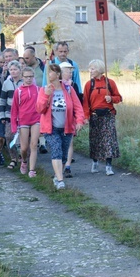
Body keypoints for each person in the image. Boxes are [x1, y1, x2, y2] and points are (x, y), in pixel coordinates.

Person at [36, 62, 84, 190]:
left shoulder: (68, 89)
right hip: (51, 128)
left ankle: (57, 177)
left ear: (57, 74)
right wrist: (46, 94)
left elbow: (77, 106)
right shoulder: (44, 89)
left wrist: (79, 121)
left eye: (50, 72)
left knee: (63, 156)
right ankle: (61, 180)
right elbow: (40, 109)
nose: (48, 75)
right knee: (56, 150)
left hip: (67, 127)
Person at [82, 60, 122, 176]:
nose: (90, 71)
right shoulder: (89, 85)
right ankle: (95, 162)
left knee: (109, 140)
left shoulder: (110, 83)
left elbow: (119, 97)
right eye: (90, 69)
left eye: (92, 69)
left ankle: (108, 166)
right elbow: (85, 103)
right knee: (96, 139)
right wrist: (86, 116)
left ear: (99, 69)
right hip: (95, 116)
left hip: (108, 115)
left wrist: (111, 99)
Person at [11, 66, 40, 177]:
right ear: (22, 77)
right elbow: (14, 110)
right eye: (26, 77)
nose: (29, 79)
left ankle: (32, 170)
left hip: (36, 119)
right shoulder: (18, 92)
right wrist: (14, 125)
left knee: (33, 145)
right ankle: (24, 161)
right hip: (23, 121)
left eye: (31, 77)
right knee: (24, 148)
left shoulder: (38, 90)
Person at [0, 60, 23, 169]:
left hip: (23, 115)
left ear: (20, 70)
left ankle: (23, 158)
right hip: (9, 114)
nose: (13, 72)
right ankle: (13, 158)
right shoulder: (6, 83)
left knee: (22, 138)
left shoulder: (25, 82)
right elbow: (2, 100)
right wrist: (2, 115)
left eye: (15, 69)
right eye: (11, 70)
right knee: (8, 136)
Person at [59, 62, 78, 178]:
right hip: (58, 117)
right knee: (59, 143)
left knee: (69, 142)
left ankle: (67, 166)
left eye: (71, 72)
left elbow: (77, 101)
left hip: (70, 117)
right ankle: (59, 167)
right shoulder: (55, 85)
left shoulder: (73, 86)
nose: (70, 74)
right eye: (68, 71)